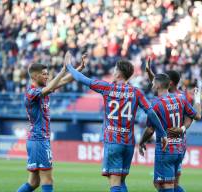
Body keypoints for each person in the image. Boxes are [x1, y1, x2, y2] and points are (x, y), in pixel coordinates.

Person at [65, 51, 168, 192]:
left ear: (119, 73)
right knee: (121, 181)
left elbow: (82, 79)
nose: (113, 73)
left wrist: (69, 66)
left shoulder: (107, 88)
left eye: (114, 70)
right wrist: (162, 133)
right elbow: (150, 112)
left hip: (113, 141)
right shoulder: (136, 92)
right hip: (128, 143)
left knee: (114, 182)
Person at [17, 53, 86, 192]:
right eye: (44, 74)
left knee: (33, 182)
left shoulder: (42, 91)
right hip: (39, 140)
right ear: (35, 76)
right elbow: (49, 87)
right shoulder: (31, 92)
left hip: (38, 140)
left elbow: (63, 81)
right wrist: (62, 70)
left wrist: (78, 69)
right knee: (47, 180)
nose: (47, 77)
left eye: (48, 74)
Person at [146, 58, 202, 192]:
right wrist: (149, 72)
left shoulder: (181, 97)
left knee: (168, 184)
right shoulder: (179, 95)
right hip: (179, 145)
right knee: (167, 184)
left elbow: (193, 117)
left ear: (169, 83)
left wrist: (182, 128)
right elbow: (157, 82)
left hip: (171, 145)